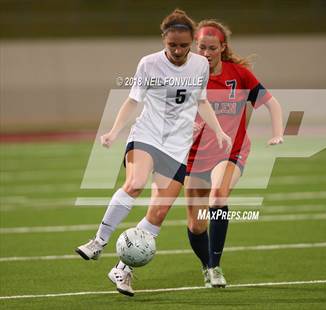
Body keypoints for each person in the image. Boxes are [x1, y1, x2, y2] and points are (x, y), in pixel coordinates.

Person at [75, 10, 231, 297]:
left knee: (157, 214)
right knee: (134, 183)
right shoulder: (149, 64)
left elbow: (202, 101)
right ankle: (98, 241)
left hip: (177, 146)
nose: (178, 51)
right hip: (146, 135)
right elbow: (133, 101)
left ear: (190, 43)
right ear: (164, 39)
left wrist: (219, 130)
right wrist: (114, 131)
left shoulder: (199, 65)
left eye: (184, 45)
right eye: (172, 45)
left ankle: (122, 270)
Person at [184, 20, 283, 288]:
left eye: (212, 48)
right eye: (202, 47)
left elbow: (272, 104)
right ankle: (207, 266)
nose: (206, 52)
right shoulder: (186, 75)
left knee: (218, 196)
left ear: (222, 47)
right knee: (196, 226)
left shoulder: (239, 74)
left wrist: (277, 132)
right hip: (195, 157)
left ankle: (216, 267)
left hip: (231, 152)